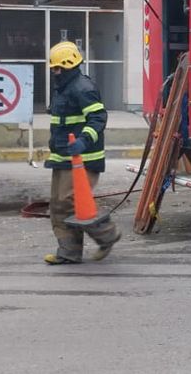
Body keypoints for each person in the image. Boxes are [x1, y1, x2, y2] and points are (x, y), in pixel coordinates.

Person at [43, 41, 121, 265]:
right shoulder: (64, 88)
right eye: (53, 68)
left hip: (83, 159)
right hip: (63, 157)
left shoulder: (82, 88)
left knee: (72, 202)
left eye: (58, 68)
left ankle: (107, 235)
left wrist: (83, 140)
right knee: (59, 206)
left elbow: (98, 118)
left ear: (69, 65)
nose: (55, 72)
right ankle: (69, 252)